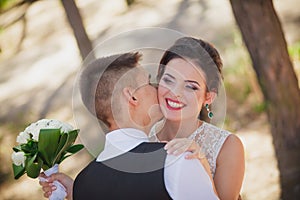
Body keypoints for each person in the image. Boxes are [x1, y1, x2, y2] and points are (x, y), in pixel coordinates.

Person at [40, 52, 219, 199]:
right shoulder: (177, 160)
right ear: (132, 96)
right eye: (148, 83)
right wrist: (201, 161)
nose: (158, 89)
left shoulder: (82, 185)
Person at [150, 37, 245, 200]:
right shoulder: (142, 136)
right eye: (168, 80)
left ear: (208, 97)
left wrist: (201, 164)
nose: (175, 93)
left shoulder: (227, 147)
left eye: (190, 86)